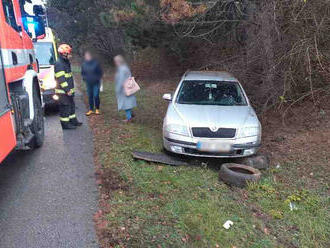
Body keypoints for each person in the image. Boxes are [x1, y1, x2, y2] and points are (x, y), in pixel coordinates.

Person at [55, 44, 82, 130]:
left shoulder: (65, 62)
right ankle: (65, 124)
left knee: (71, 106)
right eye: (68, 53)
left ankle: (73, 120)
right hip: (63, 92)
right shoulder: (59, 63)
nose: (70, 55)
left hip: (69, 90)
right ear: (64, 54)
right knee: (65, 107)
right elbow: (61, 79)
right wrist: (67, 90)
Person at [114, 55, 137, 122]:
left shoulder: (122, 69)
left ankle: (128, 118)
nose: (115, 63)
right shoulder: (125, 67)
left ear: (119, 61)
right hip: (128, 87)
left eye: (116, 61)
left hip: (124, 89)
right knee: (128, 102)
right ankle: (131, 114)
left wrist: (117, 89)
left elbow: (121, 80)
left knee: (126, 104)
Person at [81, 51, 103, 116]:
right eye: (86, 56)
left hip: (96, 83)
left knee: (96, 95)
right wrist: (84, 78)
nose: (87, 57)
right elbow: (82, 73)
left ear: (91, 56)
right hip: (88, 83)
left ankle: (97, 109)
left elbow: (100, 73)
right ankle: (91, 109)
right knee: (90, 96)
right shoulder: (84, 64)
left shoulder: (96, 63)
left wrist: (97, 78)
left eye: (88, 56)